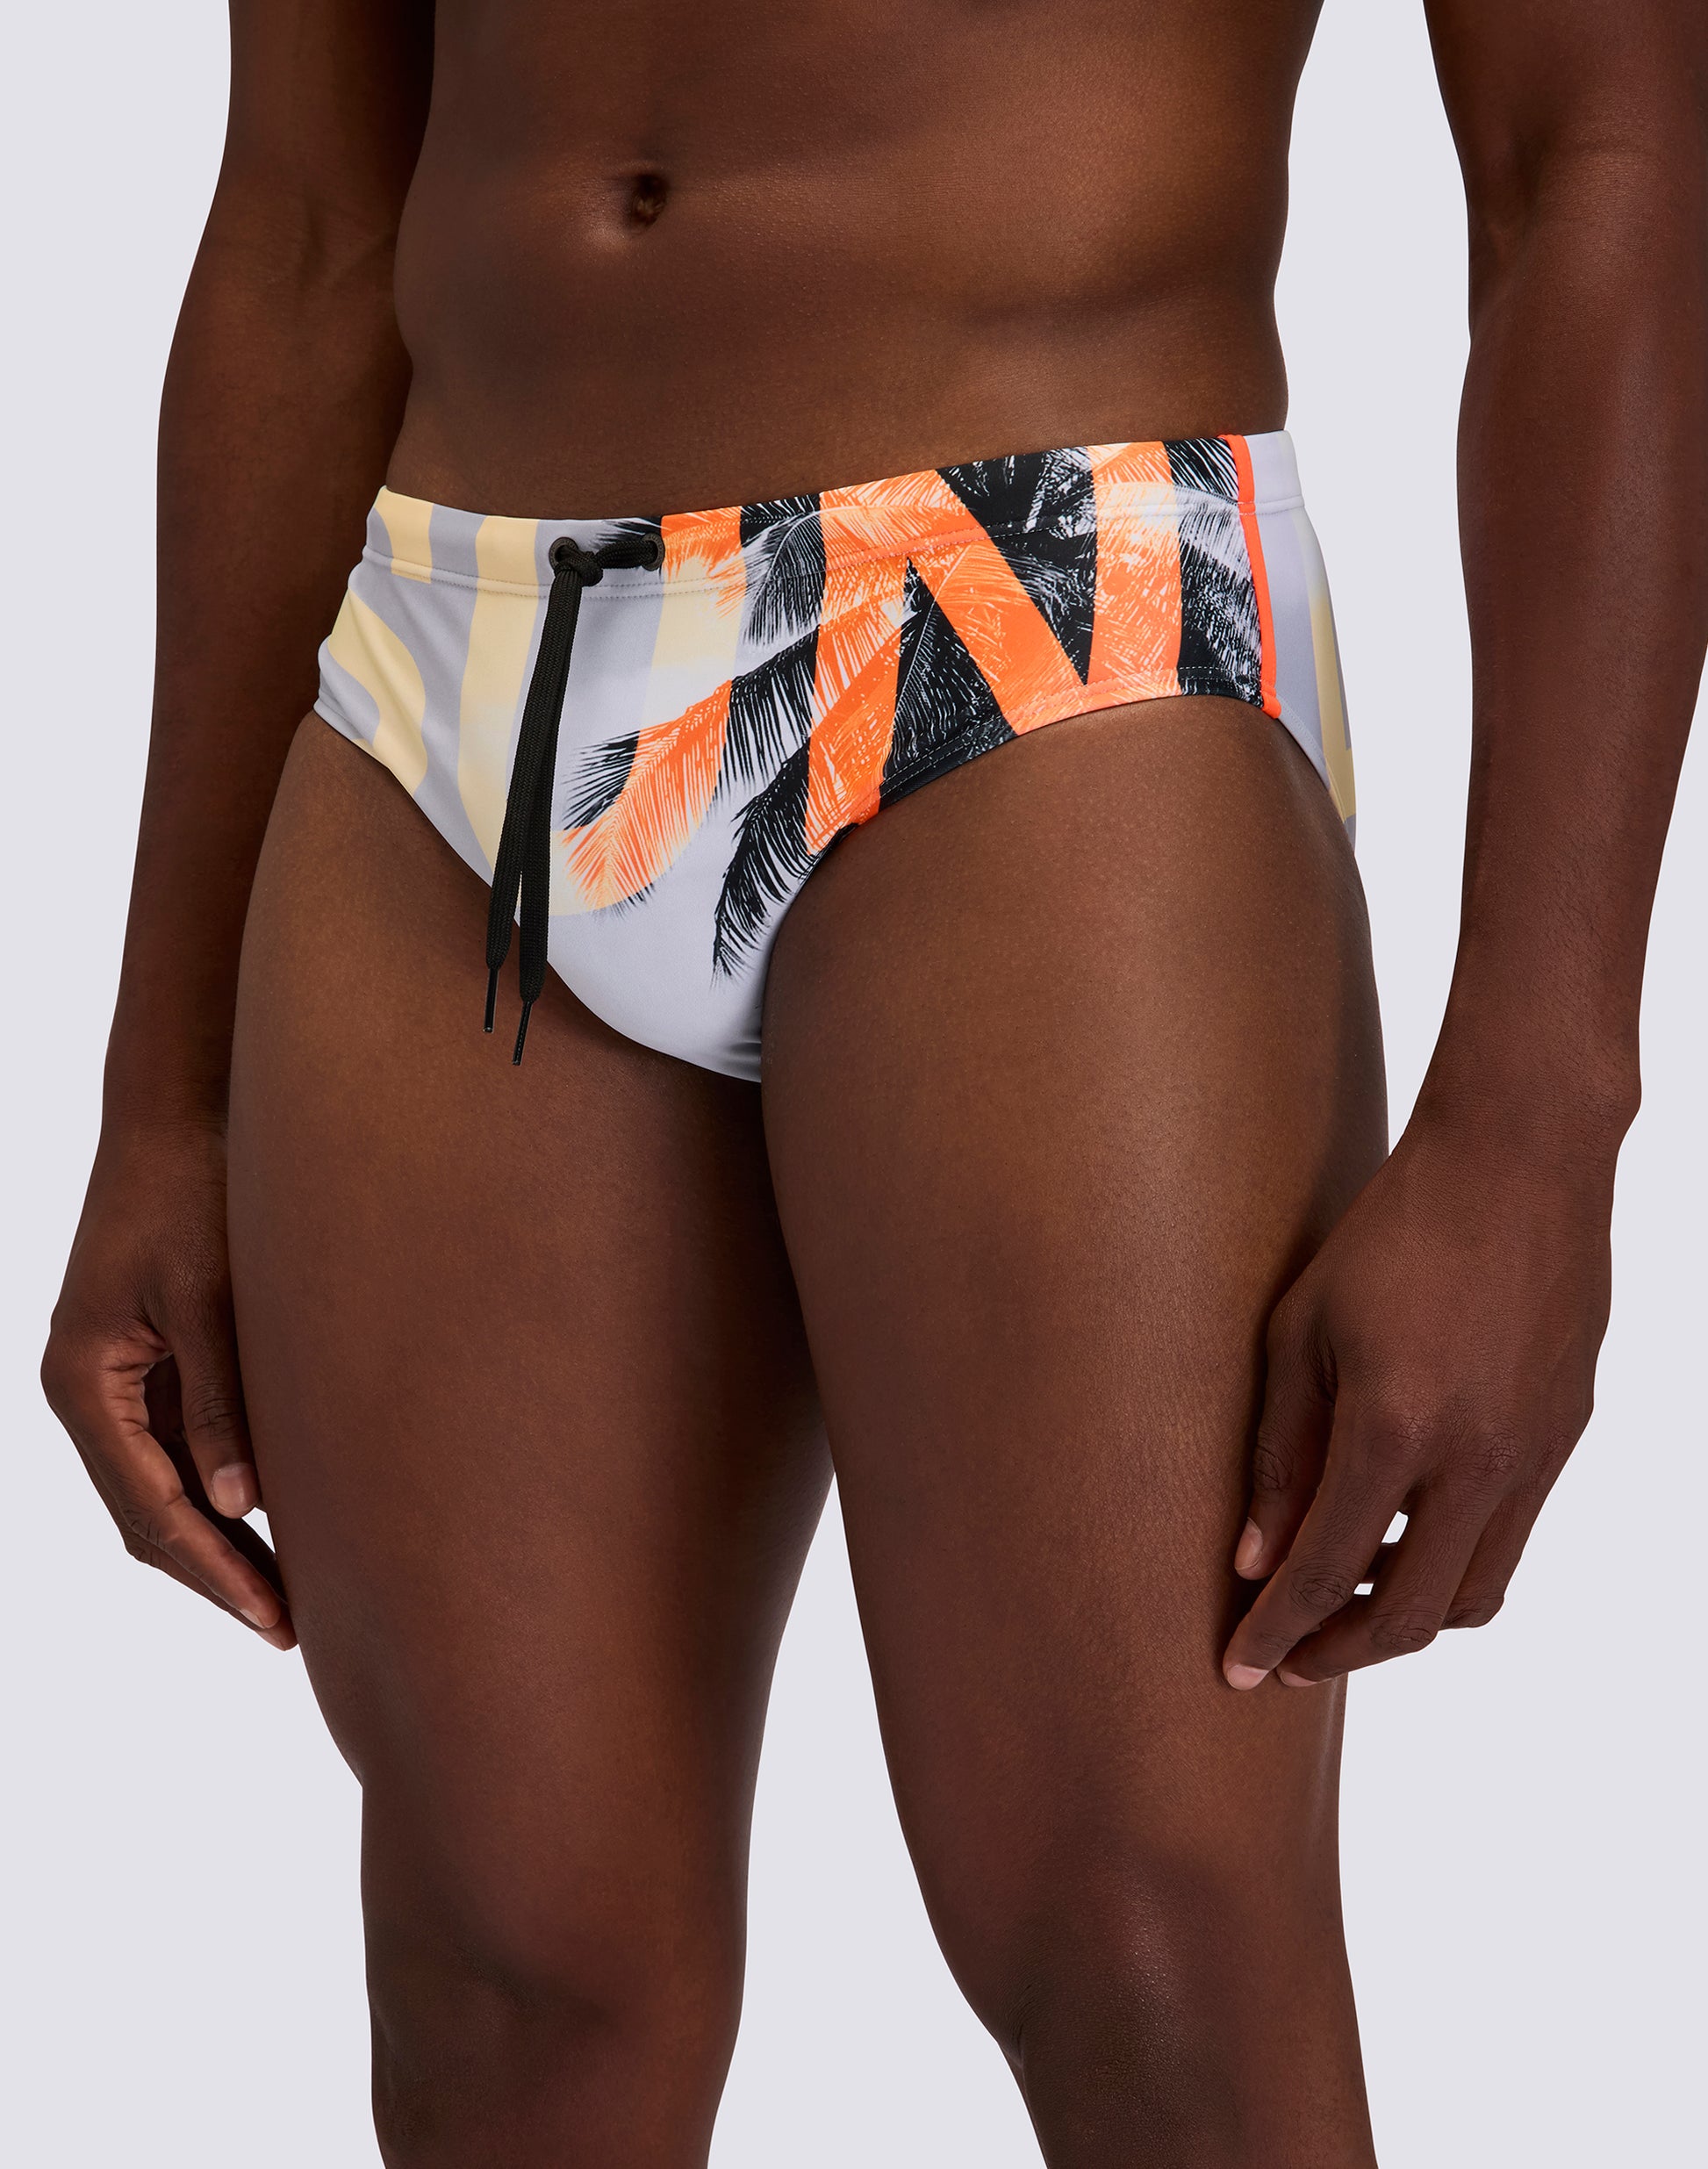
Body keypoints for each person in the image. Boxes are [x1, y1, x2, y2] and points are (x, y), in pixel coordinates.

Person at [40, 0, 1705, 2161]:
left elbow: (1605, 168)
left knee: (1143, 1954)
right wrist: (161, 1090)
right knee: (507, 1976)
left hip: (1036, 610)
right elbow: (303, 222)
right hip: (445, 675)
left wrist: (1538, 1117)